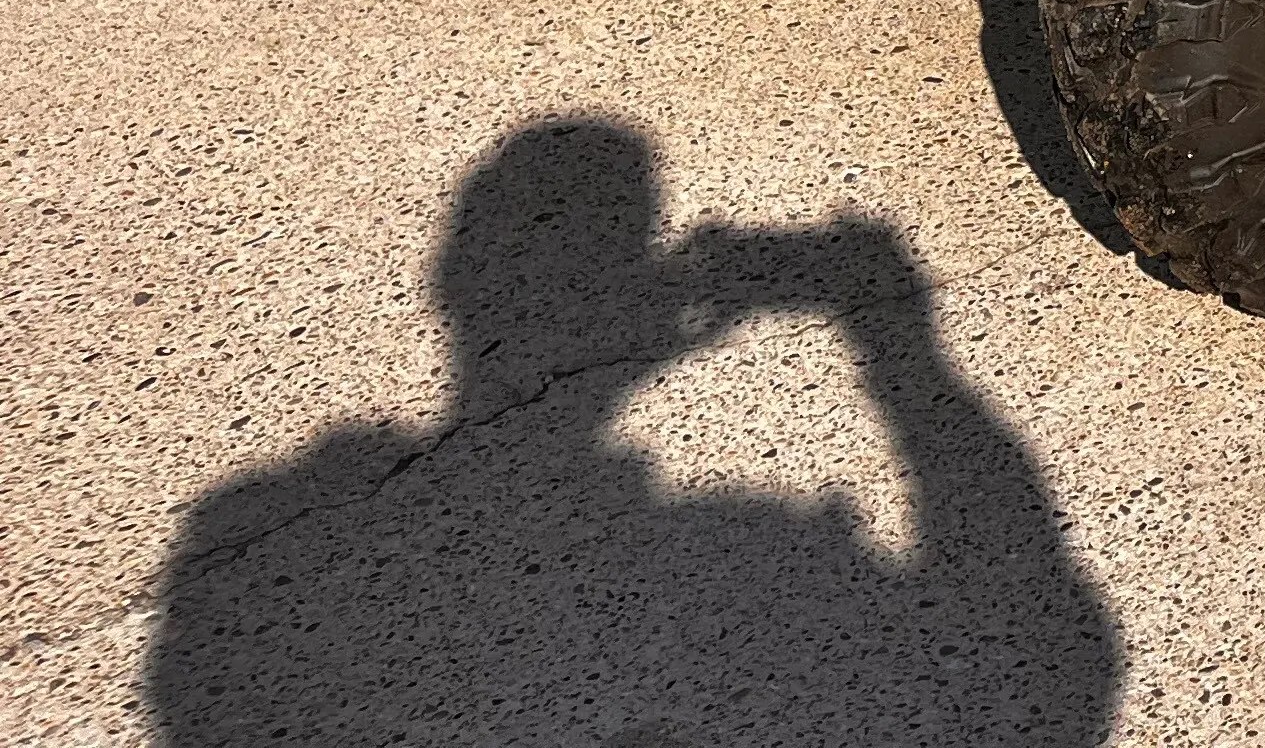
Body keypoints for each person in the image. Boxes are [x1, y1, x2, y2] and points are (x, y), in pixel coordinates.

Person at [148, 119, 1121, 746]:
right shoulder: (742, 550)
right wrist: (894, 335)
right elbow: (1053, 640)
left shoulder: (264, 526)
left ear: (450, 286)